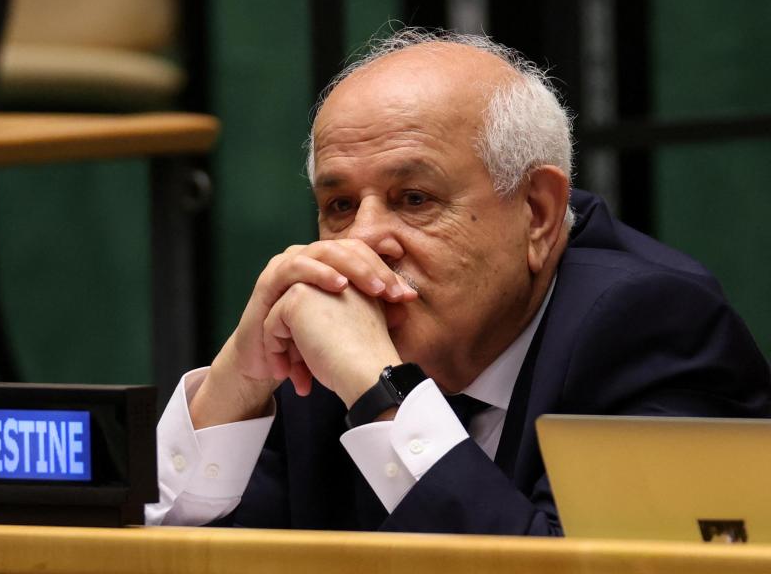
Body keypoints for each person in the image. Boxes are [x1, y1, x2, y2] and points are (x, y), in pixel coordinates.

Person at [145, 29, 771, 534]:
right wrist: (236, 385)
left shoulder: (650, 327)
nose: (360, 241)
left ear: (538, 214)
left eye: (413, 198)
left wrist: (380, 394)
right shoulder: (318, 352)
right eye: (338, 206)